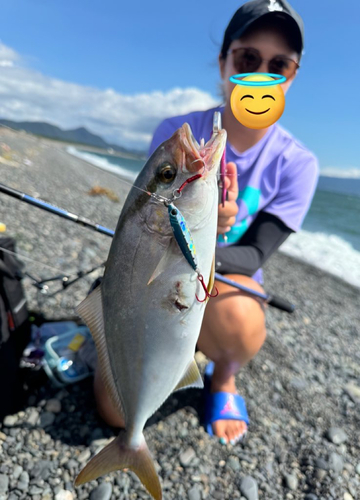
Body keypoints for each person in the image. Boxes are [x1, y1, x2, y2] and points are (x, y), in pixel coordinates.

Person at [94, 0, 319, 445]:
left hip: (226, 287)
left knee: (242, 322)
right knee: (114, 412)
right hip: (152, 278)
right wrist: (198, 228)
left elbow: (256, 253)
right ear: (223, 61)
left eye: (280, 65)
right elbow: (144, 218)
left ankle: (223, 376)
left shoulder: (298, 164)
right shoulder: (179, 132)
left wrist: (204, 239)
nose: (261, 74)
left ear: (292, 77)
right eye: (248, 59)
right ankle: (164, 359)